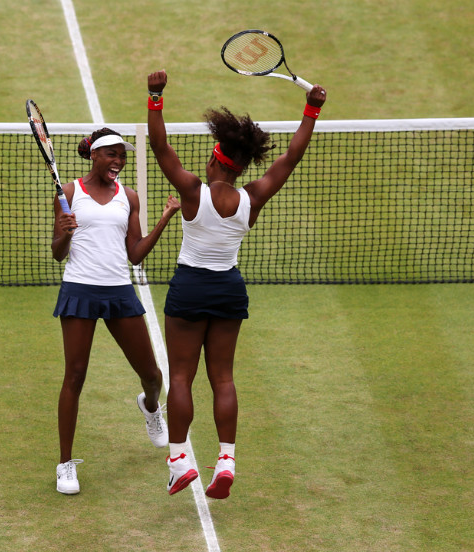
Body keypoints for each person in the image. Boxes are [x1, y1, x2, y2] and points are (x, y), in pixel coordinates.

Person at [146, 70, 326, 498]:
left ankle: (178, 461)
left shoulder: (192, 190)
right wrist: (311, 109)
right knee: (223, 378)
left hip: (189, 289)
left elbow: (159, 146)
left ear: (214, 159)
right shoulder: (254, 196)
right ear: (241, 165)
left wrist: (156, 96)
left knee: (182, 376)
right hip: (229, 289)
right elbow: (291, 158)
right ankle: (226, 459)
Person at [51, 127, 182, 495]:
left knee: (153, 375)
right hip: (79, 291)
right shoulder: (69, 193)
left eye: (122, 156)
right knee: (74, 376)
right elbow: (58, 253)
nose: (118, 162)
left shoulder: (129, 197)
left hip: (119, 292)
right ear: (94, 156)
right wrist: (64, 232)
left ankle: (151, 408)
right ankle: (64, 465)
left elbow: (135, 254)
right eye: (112, 154)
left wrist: (166, 217)